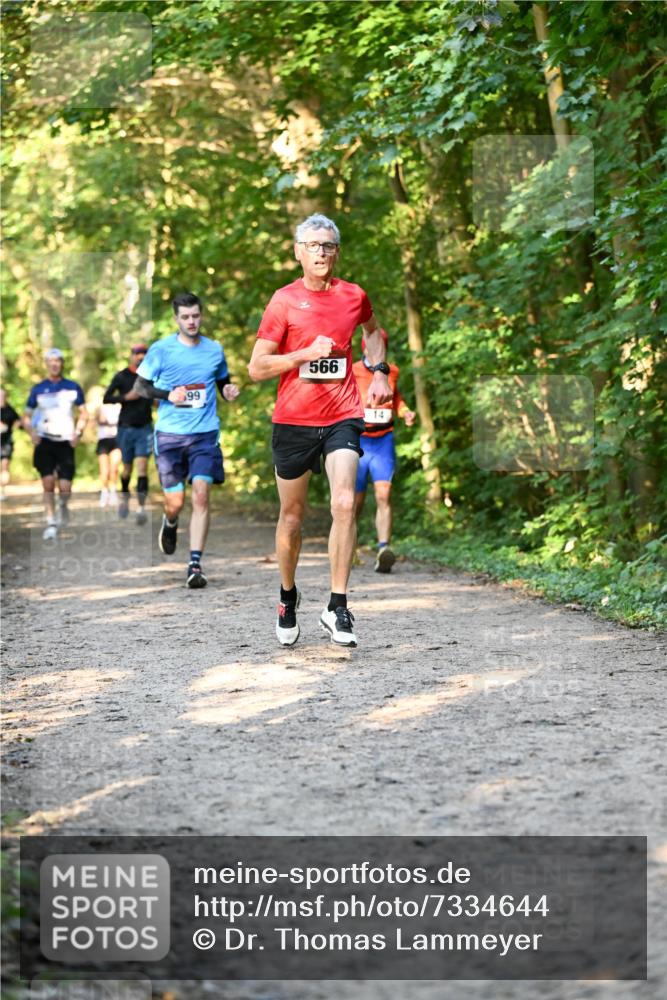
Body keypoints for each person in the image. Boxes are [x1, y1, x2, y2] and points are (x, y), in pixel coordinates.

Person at [248, 213, 391, 648]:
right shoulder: (284, 301)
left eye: (328, 246)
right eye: (313, 245)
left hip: (343, 415)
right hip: (293, 420)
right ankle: (287, 596)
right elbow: (257, 368)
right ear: (298, 252)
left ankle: (337, 604)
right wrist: (304, 353)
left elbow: (374, 332)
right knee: (292, 517)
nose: (322, 253)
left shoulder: (353, 295)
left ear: (337, 251)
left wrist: (379, 370)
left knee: (345, 502)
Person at [134, 292, 240, 588]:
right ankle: (170, 521)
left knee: (202, 493)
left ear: (201, 315)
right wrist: (168, 394)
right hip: (169, 435)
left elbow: (221, 380)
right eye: (185, 317)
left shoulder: (214, 349)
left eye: (195, 316)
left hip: (204, 433)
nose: (191, 322)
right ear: (176, 319)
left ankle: (195, 563)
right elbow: (140, 386)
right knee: (175, 501)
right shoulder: (161, 350)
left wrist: (228, 391)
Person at [353, 331, 416, 572]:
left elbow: (396, 398)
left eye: (383, 347)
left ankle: (383, 549)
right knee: (355, 502)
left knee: (383, 495)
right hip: (358, 441)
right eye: (375, 346)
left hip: (383, 441)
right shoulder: (352, 370)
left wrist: (405, 411)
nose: (380, 350)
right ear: (365, 348)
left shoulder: (393, 371)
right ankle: (350, 549)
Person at [22, 348, 87, 540]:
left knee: (65, 488)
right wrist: (32, 433)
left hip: (66, 441)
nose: (54, 364)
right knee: (48, 483)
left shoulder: (73, 387)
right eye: (50, 361)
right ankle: (50, 522)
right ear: (46, 364)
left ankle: (63, 505)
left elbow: (84, 413)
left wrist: (78, 432)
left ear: (62, 363)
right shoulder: (38, 389)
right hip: (44, 441)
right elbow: (25, 416)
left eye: (57, 361)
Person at [103, 344, 153, 523]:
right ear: (131, 356)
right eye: (137, 354)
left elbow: (159, 396)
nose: (140, 357)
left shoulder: (152, 375)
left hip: (145, 428)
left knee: (142, 468)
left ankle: (141, 508)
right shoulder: (122, 376)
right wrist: (125, 398)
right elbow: (106, 398)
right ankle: (124, 498)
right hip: (125, 428)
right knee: (127, 469)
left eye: (144, 354)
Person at [90, 388, 122, 508]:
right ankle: (104, 492)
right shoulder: (100, 408)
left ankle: (113, 492)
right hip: (103, 441)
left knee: (114, 468)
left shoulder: (120, 406)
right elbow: (93, 423)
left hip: (116, 440)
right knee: (104, 470)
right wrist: (98, 419)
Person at [0, 388, 21, 496]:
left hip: (5, 443)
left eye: (2, 396)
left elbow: (19, 421)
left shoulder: (10, 410)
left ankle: (2, 491)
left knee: (5, 466)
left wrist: (11, 428)